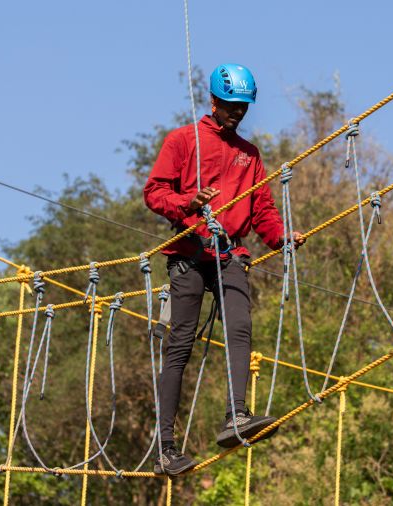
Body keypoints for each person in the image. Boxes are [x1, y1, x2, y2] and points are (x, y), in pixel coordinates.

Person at [143, 63, 304, 476]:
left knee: (240, 326)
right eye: (231, 105)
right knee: (179, 345)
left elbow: (263, 210)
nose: (237, 113)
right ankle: (165, 449)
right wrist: (189, 204)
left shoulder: (248, 156)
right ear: (213, 101)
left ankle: (237, 415)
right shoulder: (183, 140)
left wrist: (281, 237)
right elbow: (155, 191)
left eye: (243, 107)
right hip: (188, 250)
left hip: (228, 252)